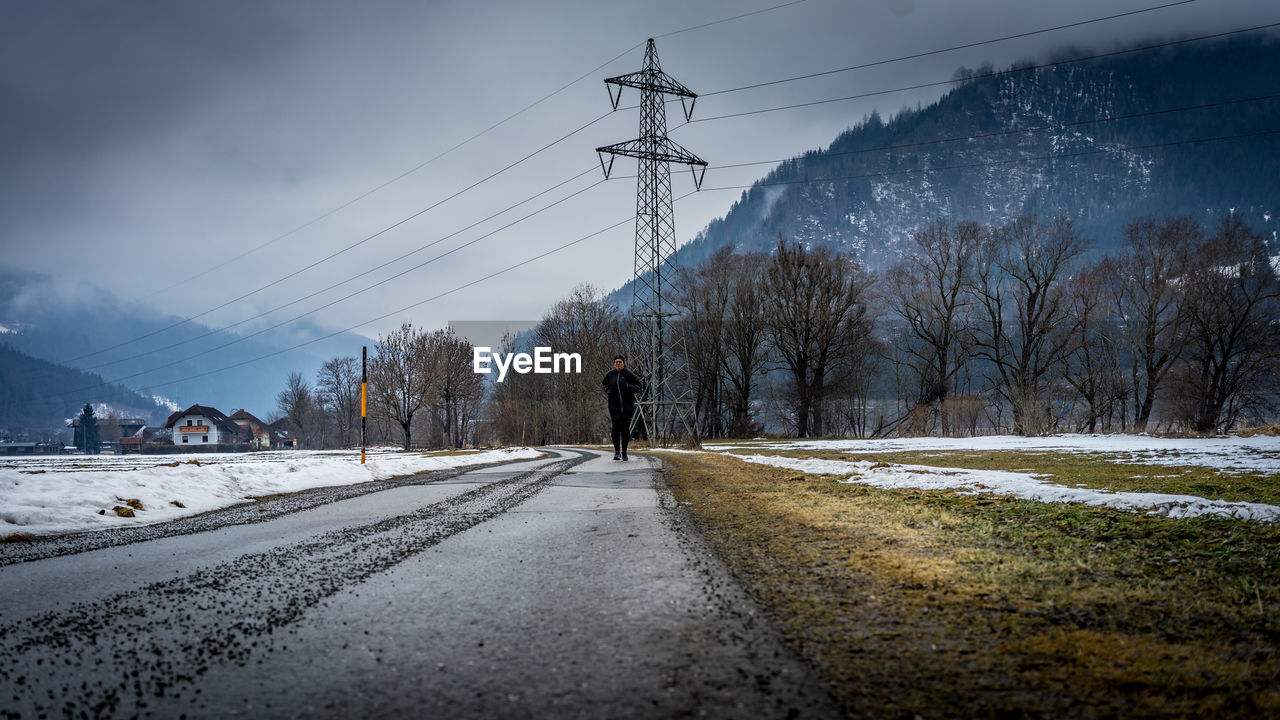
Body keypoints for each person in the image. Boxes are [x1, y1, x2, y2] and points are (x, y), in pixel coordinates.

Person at [602, 354, 642, 461]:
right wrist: (608, 390)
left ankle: (624, 452)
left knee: (625, 430)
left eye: (620, 362)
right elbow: (604, 384)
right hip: (614, 407)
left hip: (627, 407)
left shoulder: (629, 374)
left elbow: (639, 386)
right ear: (614, 363)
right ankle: (617, 452)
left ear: (624, 363)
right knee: (615, 429)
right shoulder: (610, 375)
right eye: (616, 362)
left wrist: (629, 387)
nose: (618, 363)